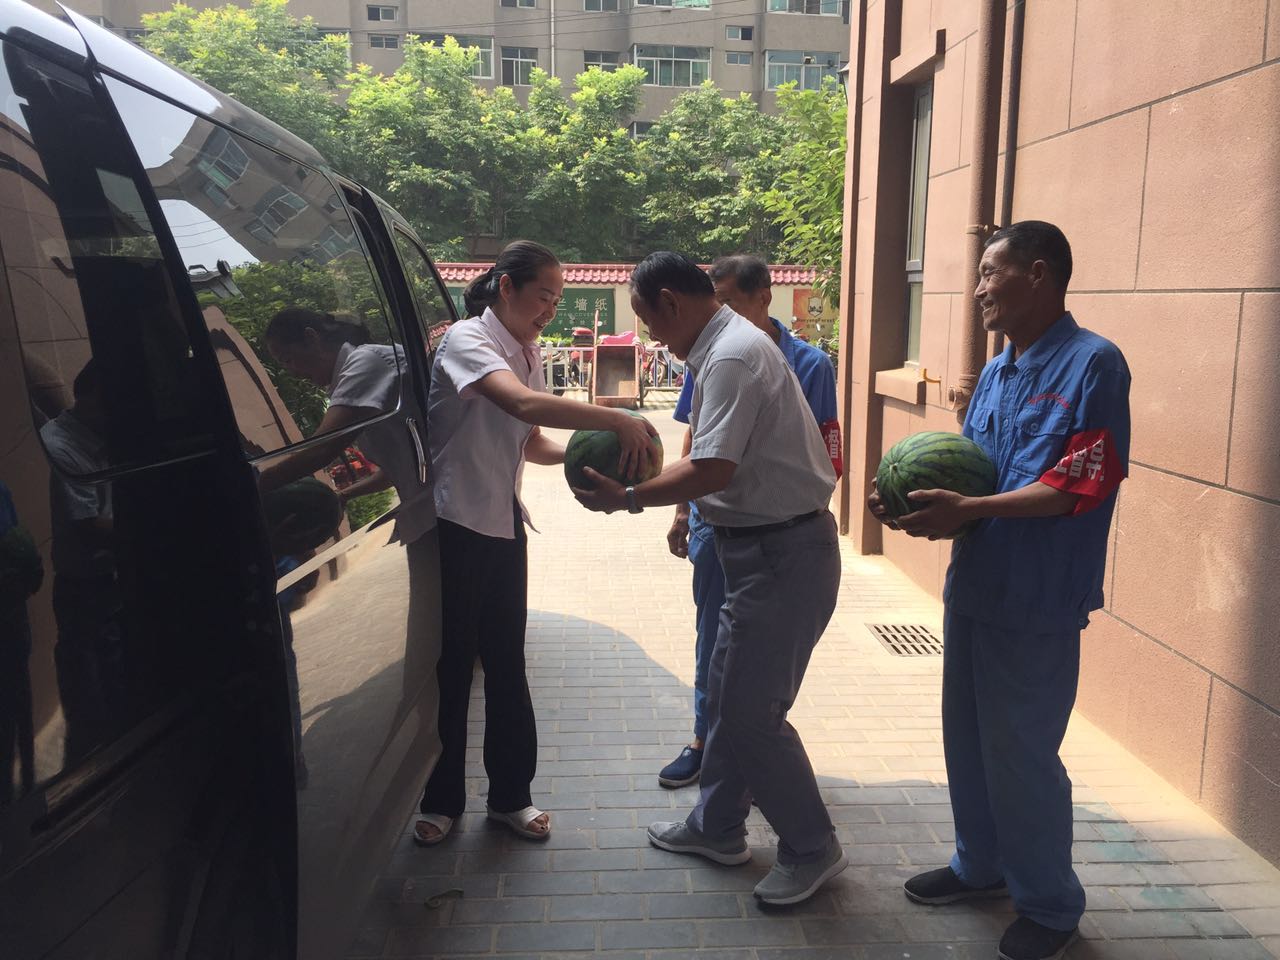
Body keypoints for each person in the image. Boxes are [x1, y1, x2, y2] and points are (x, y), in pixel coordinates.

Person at [868, 221, 1131, 960]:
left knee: (1022, 754)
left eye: (990, 272)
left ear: (1038, 274)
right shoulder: (995, 371)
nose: (979, 288)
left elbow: (1081, 483)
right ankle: (979, 865)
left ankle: (1049, 904)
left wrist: (971, 507)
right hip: (976, 585)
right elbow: (971, 470)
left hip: (1038, 598)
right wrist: (911, 502)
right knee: (968, 739)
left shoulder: (1094, 365)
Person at [573, 252, 845, 907]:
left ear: (671, 301)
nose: (649, 335)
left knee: (753, 716)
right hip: (755, 552)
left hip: (782, 556)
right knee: (727, 700)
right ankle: (717, 827)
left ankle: (812, 847)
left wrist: (627, 499)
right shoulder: (724, 347)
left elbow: (713, 468)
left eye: (647, 319)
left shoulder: (730, 357)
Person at [414, 240, 657, 847]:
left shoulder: (528, 353)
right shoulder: (468, 340)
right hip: (455, 525)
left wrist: (592, 466)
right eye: (544, 296)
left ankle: (510, 798)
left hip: (503, 524)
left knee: (506, 663)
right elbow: (519, 403)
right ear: (506, 287)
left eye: (556, 299)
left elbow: (531, 439)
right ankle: (441, 800)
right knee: (452, 668)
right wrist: (615, 418)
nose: (550, 309)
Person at [659, 254, 842, 788]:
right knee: (713, 640)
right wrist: (681, 510)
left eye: (729, 301)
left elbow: (825, 446)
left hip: (773, 532)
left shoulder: (807, 364)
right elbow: (698, 434)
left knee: (760, 662)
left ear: (764, 296)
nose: (718, 312)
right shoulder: (708, 349)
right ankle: (706, 742)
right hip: (715, 523)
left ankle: (751, 754)